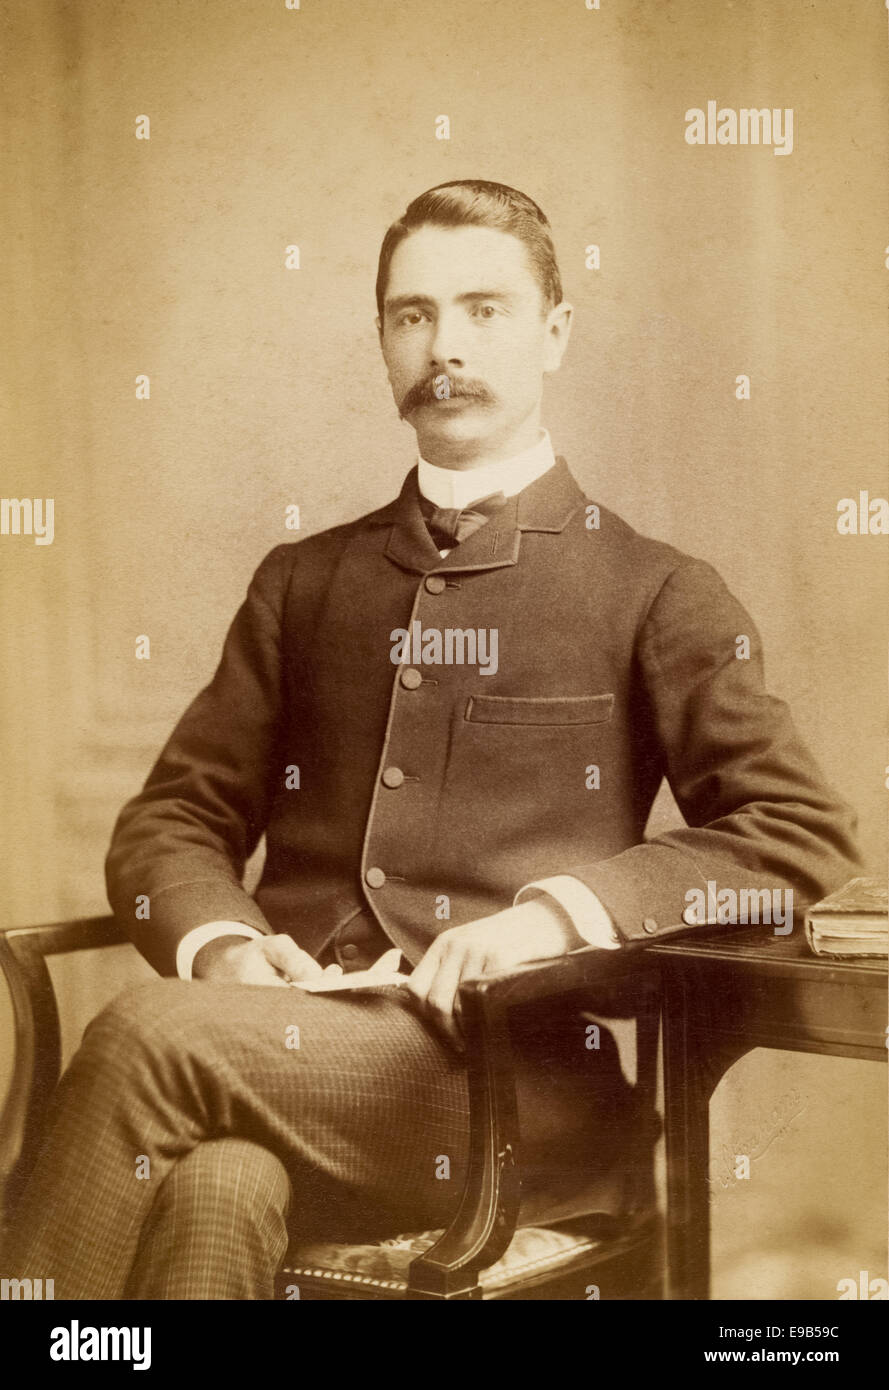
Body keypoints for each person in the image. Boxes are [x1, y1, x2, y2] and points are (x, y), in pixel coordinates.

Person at [2, 180, 860, 1299]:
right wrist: (224, 951)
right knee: (218, 1185)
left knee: (145, 1036)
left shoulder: (653, 589)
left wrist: (556, 915)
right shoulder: (305, 582)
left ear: (554, 332)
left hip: (513, 1085)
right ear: (382, 343)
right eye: (412, 316)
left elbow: (797, 835)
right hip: (283, 1063)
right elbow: (174, 817)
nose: (443, 346)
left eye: (483, 309)